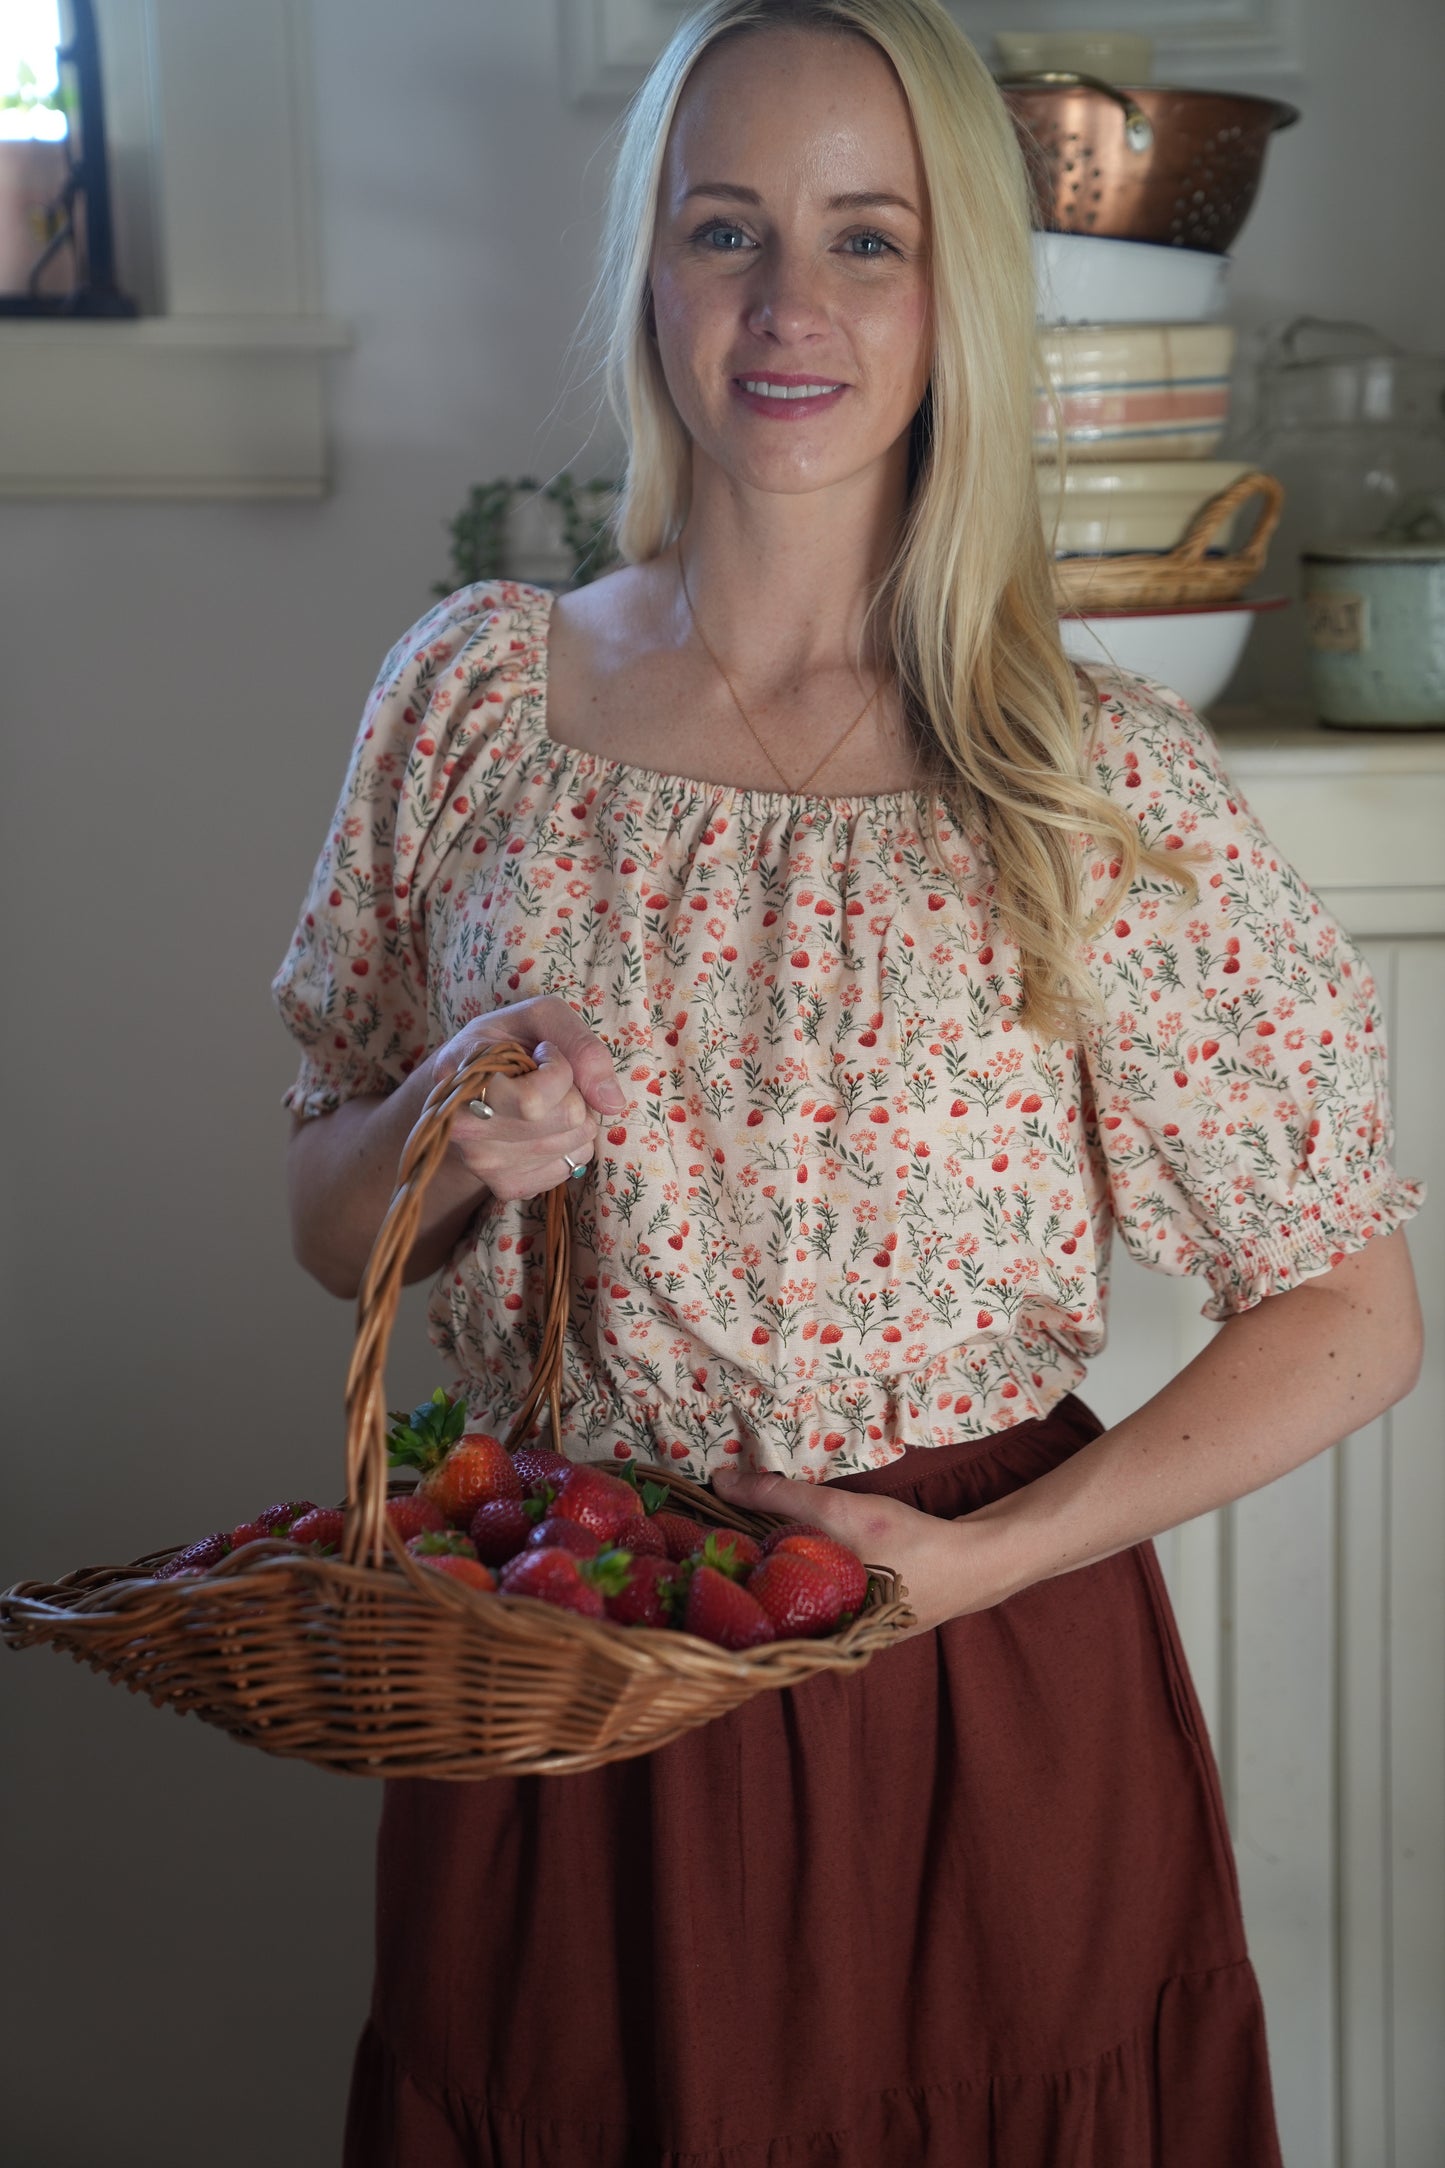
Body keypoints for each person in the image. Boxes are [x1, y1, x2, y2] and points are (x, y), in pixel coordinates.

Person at [274, 2, 1424, 2160]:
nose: (790, 306)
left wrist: (982, 1570)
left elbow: (1353, 1319)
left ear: (954, 297)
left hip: (973, 1698)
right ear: (652, 276)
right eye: (729, 230)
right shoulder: (477, 700)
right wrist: (446, 1127)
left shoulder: (1089, 778)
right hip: (570, 1664)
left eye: (866, 239)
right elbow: (325, 1208)